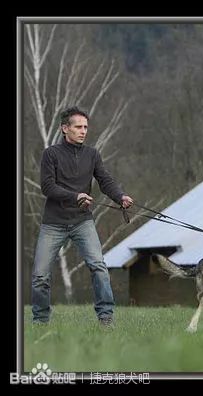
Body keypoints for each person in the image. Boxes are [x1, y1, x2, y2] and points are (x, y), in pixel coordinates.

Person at [31, 106, 134, 328]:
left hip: (82, 222)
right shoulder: (51, 154)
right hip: (53, 223)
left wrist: (121, 197)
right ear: (64, 128)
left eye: (85, 127)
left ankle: (106, 318)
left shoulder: (92, 154)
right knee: (40, 275)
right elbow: (47, 187)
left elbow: (104, 180)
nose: (83, 131)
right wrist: (75, 195)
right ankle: (40, 321)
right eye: (78, 127)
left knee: (99, 266)